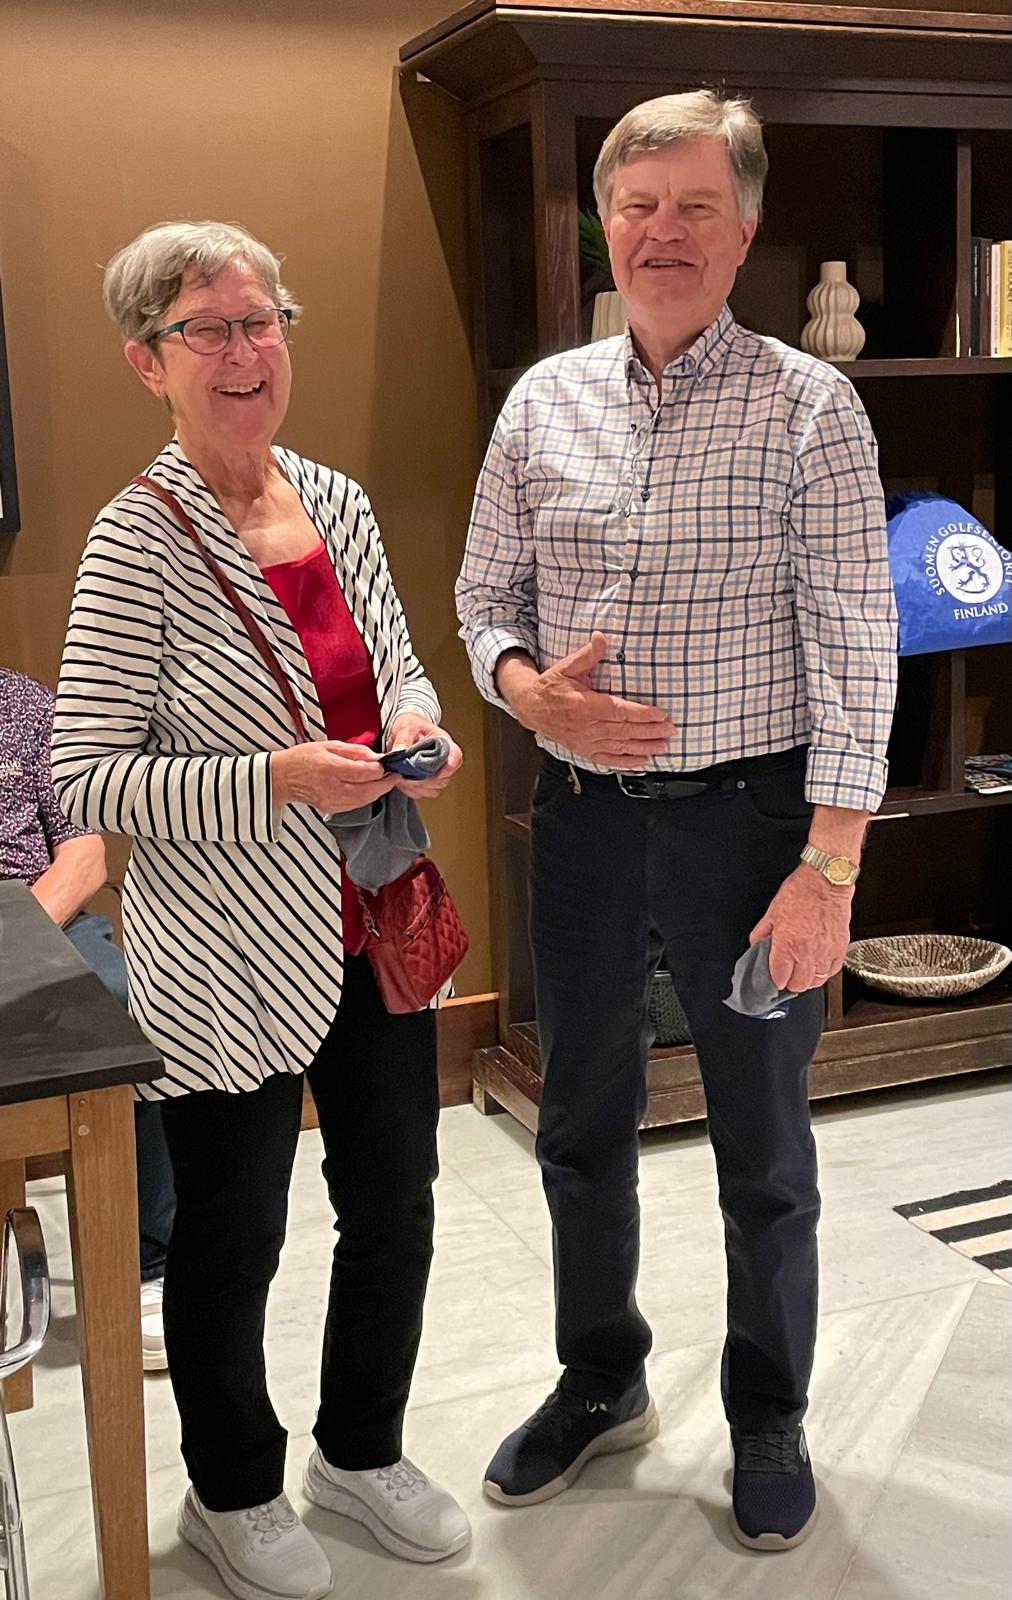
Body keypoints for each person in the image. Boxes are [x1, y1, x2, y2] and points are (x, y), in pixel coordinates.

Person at [456, 90, 897, 1551]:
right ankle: (601, 1375)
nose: (663, 232)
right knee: (579, 1120)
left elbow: (858, 651)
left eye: (696, 206)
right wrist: (529, 692)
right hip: (583, 822)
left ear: (744, 228)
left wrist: (830, 865)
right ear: (604, 224)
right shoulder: (543, 402)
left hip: (753, 827)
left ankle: (770, 1406)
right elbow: (482, 598)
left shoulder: (810, 406)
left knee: (764, 1146)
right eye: (638, 206)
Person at [51, 221, 469, 1600]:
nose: (246, 352)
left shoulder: (336, 500)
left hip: (373, 916)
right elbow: (86, 775)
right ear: (149, 362)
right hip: (226, 952)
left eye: (263, 320)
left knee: (394, 1202)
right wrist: (273, 779)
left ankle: (362, 1449)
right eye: (209, 329)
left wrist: (415, 725)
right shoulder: (137, 540)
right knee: (235, 1237)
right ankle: (229, 1490)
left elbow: (397, 665)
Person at [0, 665, 175, 1371]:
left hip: (43, 918)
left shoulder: (22, 703)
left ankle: (150, 1264)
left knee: (129, 1010)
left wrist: (16, 940)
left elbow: (84, 852)